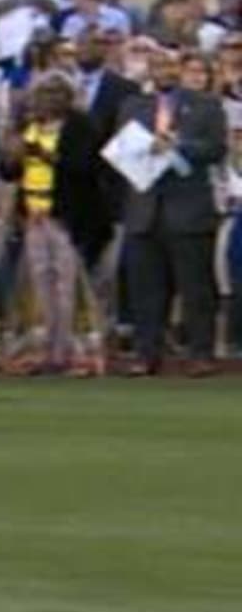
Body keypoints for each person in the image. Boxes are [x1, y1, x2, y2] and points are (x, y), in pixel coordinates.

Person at [112, 54, 229, 376]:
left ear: (180, 70)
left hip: (188, 207)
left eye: (170, 66)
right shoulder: (133, 106)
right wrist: (142, 149)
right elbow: (120, 150)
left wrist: (180, 146)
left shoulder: (205, 105)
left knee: (196, 288)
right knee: (145, 290)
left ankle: (200, 354)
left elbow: (216, 148)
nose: (164, 72)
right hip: (144, 208)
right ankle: (146, 354)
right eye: (158, 67)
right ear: (150, 72)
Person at [0, 72, 107, 376]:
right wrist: (13, 156)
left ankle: (78, 356)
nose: (48, 100)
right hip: (33, 214)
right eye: (43, 94)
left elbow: (87, 167)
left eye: (56, 94)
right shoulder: (27, 127)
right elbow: (7, 172)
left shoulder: (81, 127)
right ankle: (38, 352)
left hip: (68, 216)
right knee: (37, 284)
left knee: (68, 285)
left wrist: (49, 155)